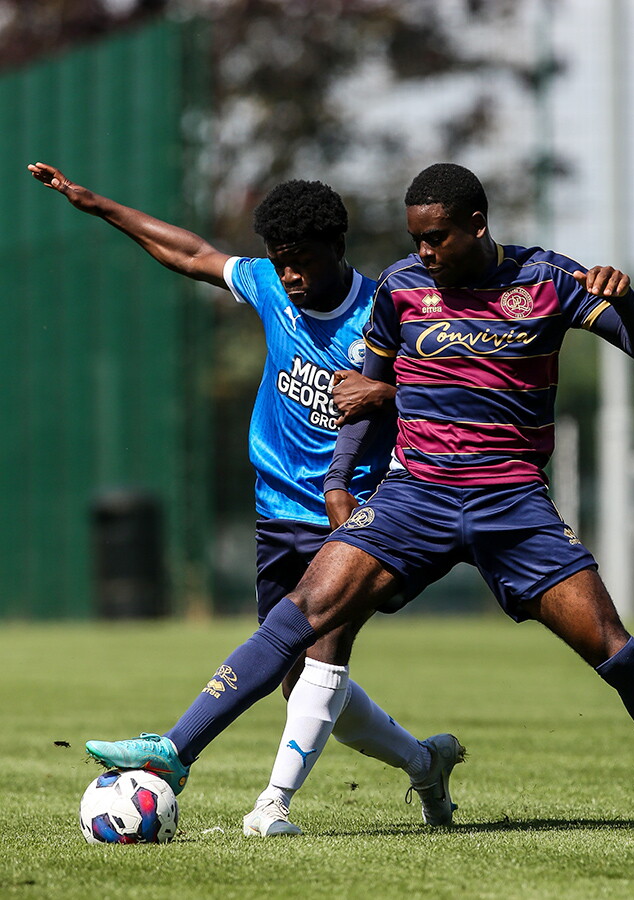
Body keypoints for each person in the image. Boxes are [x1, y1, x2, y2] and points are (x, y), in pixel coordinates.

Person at [81, 162, 634, 835]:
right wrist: (340, 481)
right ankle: (175, 751)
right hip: (416, 496)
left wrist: (627, 298)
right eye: (416, 240)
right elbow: (362, 397)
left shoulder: (549, 280)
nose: (422, 253)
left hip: (511, 502)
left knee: (614, 652)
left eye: (435, 239)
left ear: (475, 224)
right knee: (303, 612)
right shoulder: (401, 289)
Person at [28, 161, 465, 836]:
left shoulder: (384, 314)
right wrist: (95, 204)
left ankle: (270, 805)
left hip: (354, 515)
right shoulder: (268, 286)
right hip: (277, 512)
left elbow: (451, 397)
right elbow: (190, 252)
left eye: (302, 263)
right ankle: (421, 763)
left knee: (324, 653)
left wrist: (390, 412)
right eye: (280, 262)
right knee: (299, 680)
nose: (288, 276)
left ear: (335, 249)